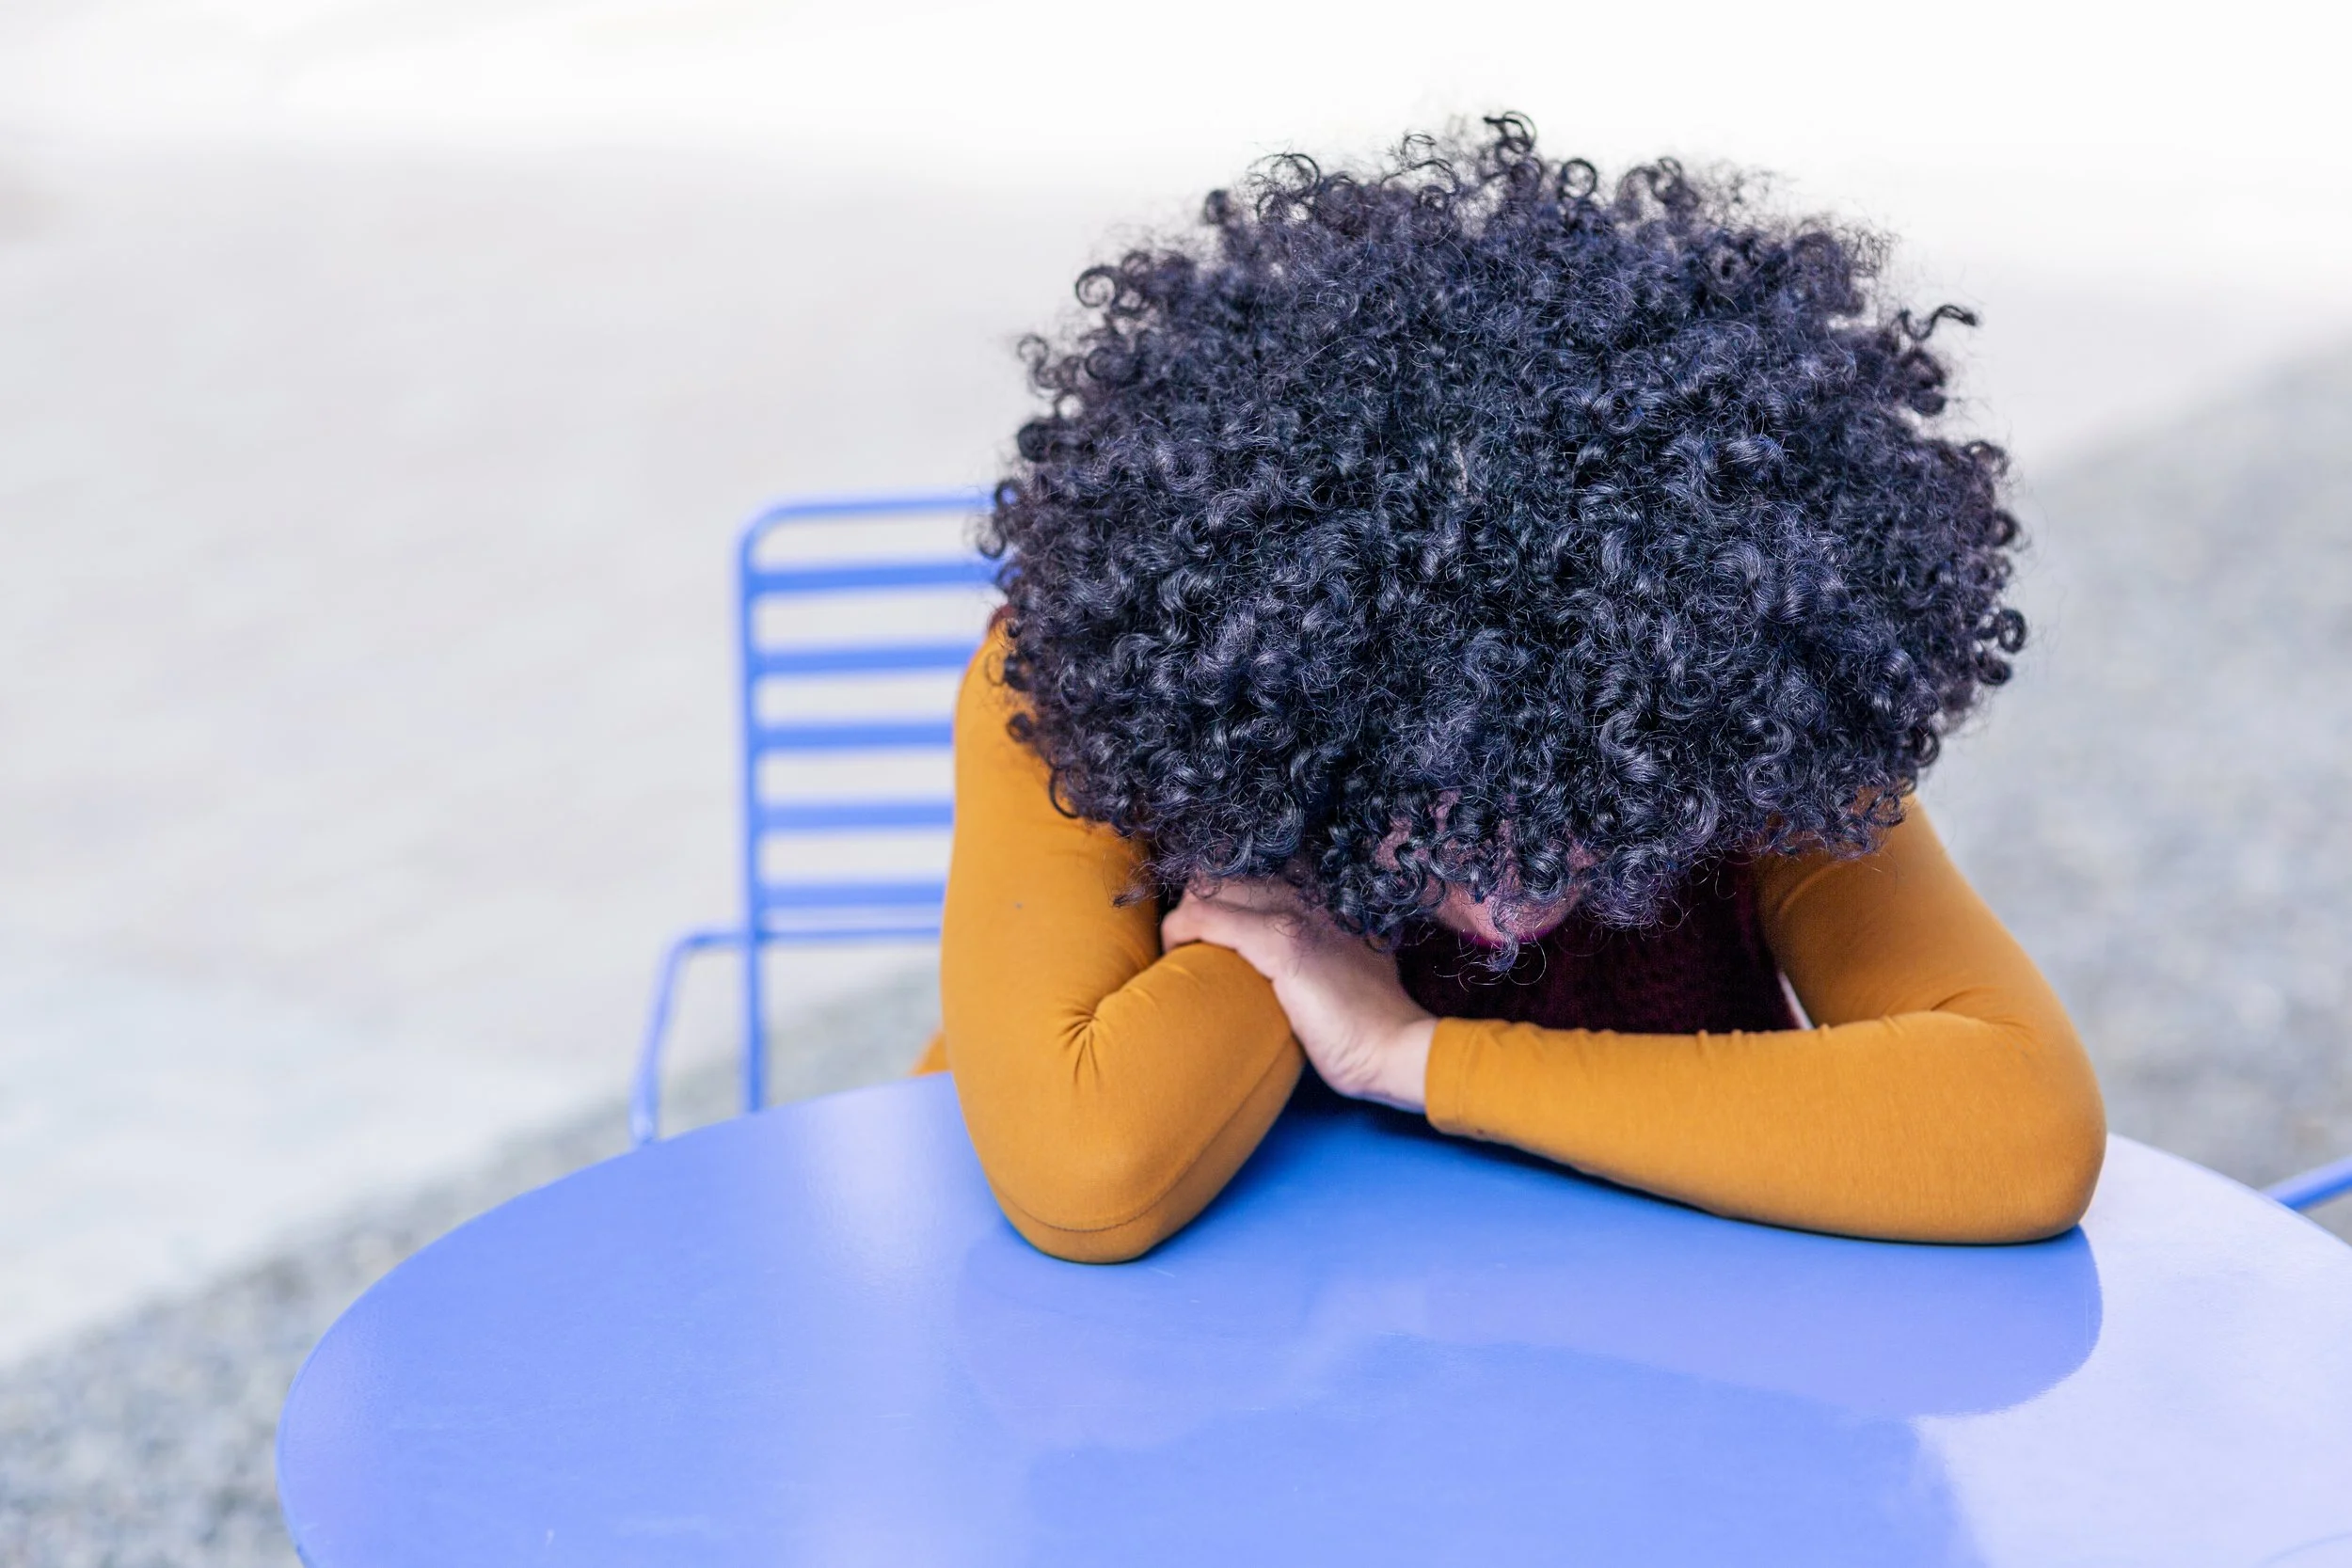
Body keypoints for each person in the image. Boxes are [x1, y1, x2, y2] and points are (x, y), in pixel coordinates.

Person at [912, 116, 2106, 1262]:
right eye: (1438, 797)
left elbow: (2022, 1126)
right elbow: (1087, 1174)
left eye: (1584, 795)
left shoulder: (1727, 688)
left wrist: (1414, 1053)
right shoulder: (1102, 682)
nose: (1511, 884)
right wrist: (1297, 894)